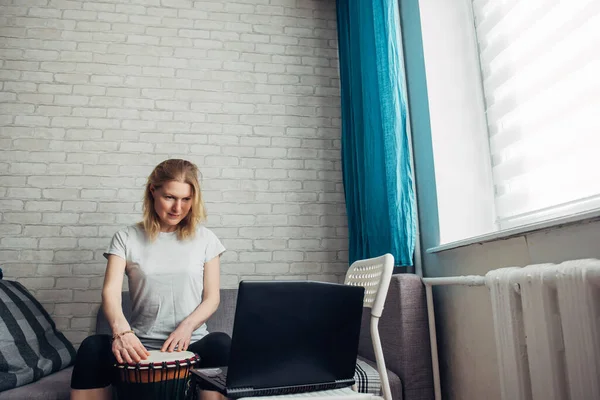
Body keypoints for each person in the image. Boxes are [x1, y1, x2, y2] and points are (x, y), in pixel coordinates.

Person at [70, 159, 230, 400]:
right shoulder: (126, 237)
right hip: (139, 348)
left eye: (186, 199)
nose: (178, 207)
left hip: (192, 345)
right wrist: (122, 333)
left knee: (221, 343)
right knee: (92, 346)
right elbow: (110, 293)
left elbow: (212, 298)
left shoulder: (206, 239)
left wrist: (186, 327)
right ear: (152, 191)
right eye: (170, 197)